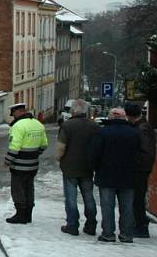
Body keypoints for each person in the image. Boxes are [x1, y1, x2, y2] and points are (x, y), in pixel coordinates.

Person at [90, 107, 139, 243]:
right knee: (127, 207)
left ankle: (108, 233)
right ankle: (126, 234)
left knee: (107, 206)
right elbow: (140, 154)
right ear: (124, 118)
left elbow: (94, 154)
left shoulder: (102, 132)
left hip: (106, 175)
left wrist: (95, 168)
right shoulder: (134, 133)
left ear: (110, 117)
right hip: (129, 176)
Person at [56, 99, 100, 236]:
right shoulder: (94, 126)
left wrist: (59, 158)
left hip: (70, 167)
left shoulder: (67, 126)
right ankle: (91, 224)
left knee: (71, 198)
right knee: (88, 196)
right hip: (87, 167)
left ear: (73, 111)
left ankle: (72, 225)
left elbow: (61, 148)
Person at [5, 103, 48, 224]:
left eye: (13, 113)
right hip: (33, 165)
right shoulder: (38, 124)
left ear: (17, 112)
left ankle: (20, 215)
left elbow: (14, 146)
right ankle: (28, 214)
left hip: (19, 165)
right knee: (29, 188)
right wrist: (34, 154)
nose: (13, 116)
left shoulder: (18, 126)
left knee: (18, 189)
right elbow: (44, 144)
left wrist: (8, 160)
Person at [125, 102, 155, 238]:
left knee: (137, 197)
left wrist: (131, 161)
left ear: (130, 116)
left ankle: (141, 226)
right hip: (141, 168)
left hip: (139, 169)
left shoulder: (141, 129)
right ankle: (139, 224)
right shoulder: (142, 126)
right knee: (137, 197)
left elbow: (145, 152)